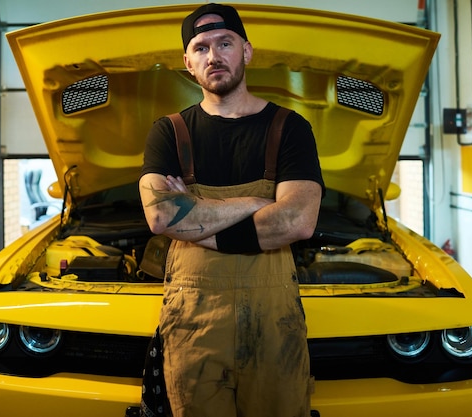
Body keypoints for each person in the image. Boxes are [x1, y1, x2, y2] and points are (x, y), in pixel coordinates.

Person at [139, 3, 324, 417]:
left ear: (247, 51)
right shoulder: (168, 132)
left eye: (225, 43)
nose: (213, 56)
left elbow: (297, 220)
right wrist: (258, 204)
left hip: (275, 327)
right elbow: (160, 217)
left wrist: (198, 213)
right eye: (201, 48)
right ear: (187, 63)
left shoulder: (289, 128)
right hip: (194, 327)